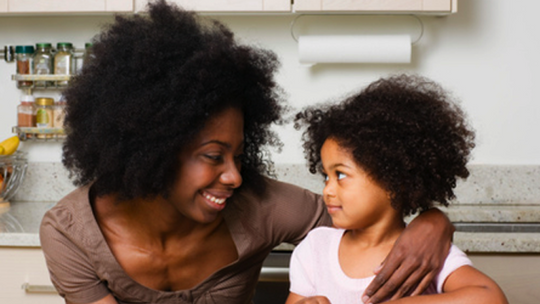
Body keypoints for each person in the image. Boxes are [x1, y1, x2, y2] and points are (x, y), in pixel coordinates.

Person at [40, 1, 455, 304]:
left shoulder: (263, 207)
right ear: (152, 150)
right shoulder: (71, 233)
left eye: (238, 156)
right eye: (213, 155)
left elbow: (372, 216)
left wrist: (434, 221)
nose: (235, 177)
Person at [287, 74, 509, 304]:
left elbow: (489, 298)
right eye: (326, 176)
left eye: (341, 175)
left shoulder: (423, 254)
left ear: (393, 180)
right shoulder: (315, 248)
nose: (327, 190)